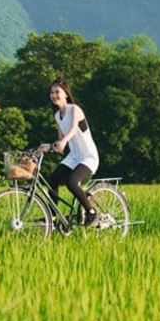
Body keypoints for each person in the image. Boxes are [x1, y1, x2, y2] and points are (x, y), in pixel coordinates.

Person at [47, 78, 100, 227]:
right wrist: (48, 147)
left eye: (57, 92)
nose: (53, 95)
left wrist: (63, 142)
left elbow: (72, 129)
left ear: (66, 94)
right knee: (53, 179)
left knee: (71, 182)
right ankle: (52, 217)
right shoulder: (57, 116)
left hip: (88, 157)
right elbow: (61, 141)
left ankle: (91, 212)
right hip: (74, 156)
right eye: (51, 92)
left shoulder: (74, 109)